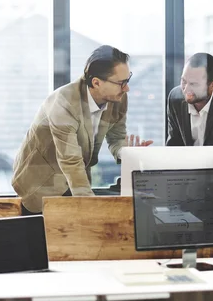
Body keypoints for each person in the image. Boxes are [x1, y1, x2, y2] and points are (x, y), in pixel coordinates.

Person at [12, 45, 152, 215]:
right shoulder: (64, 102)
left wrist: (128, 152)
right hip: (41, 183)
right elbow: (70, 160)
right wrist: (89, 205)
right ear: (96, 82)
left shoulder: (118, 98)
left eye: (127, 80)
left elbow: (117, 138)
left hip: (75, 180)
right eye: (121, 83)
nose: (127, 88)